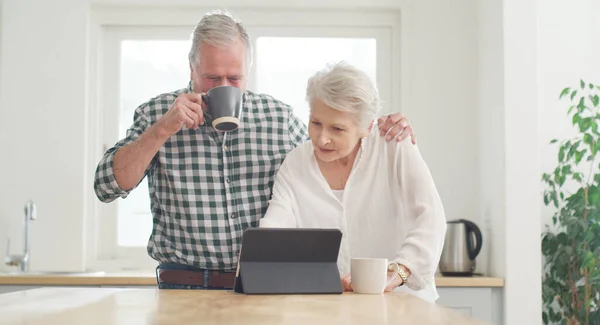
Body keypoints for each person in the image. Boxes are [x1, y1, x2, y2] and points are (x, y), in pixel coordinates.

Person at [93, 10, 417, 290]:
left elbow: (335, 159)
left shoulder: (277, 117)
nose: (223, 86)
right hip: (182, 284)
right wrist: (163, 130)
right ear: (191, 69)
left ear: (248, 70)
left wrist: (377, 130)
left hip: (263, 282)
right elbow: (106, 187)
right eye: (211, 77)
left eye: (234, 78)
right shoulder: (156, 115)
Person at [259, 61, 446, 302]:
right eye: (316, 123)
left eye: (337, 129)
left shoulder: (393, 145)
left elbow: (431, 216)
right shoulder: (296, 164)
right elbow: (274, 235)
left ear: (367, 127)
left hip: (403, 302)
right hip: (331, 306)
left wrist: (399, 270)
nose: (322, 138)